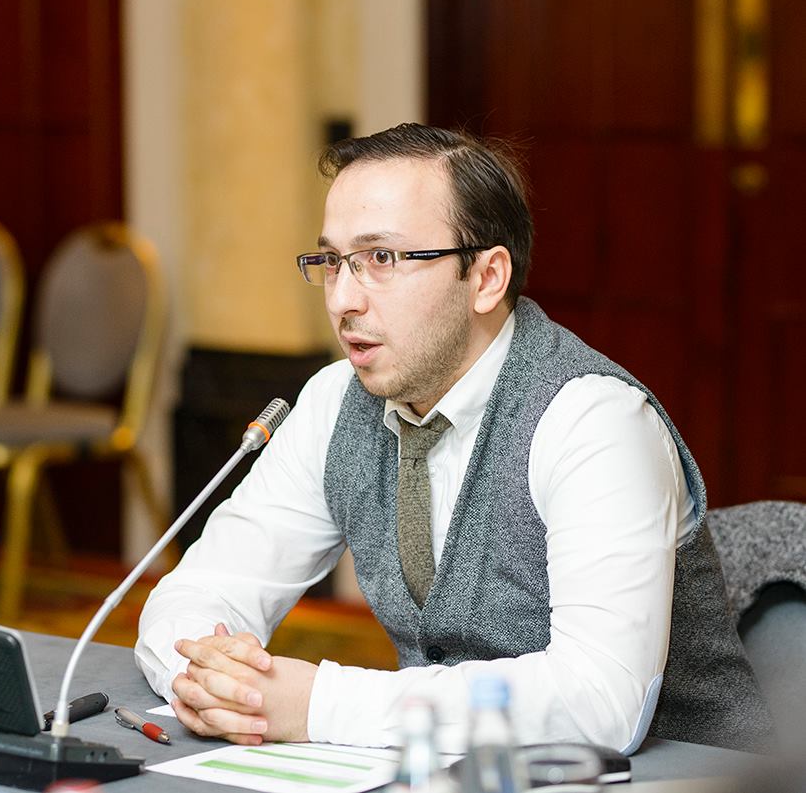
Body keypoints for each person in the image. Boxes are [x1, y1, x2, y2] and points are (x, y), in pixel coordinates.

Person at [136, 123, 771, 753]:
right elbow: (198, 592)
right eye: (332, 262)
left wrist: (319, 704)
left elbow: (601, 702)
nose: (343, 300)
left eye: (381, 259)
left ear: (487, 278)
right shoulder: (334, 402)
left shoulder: (595, 420)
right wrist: (213, 680)